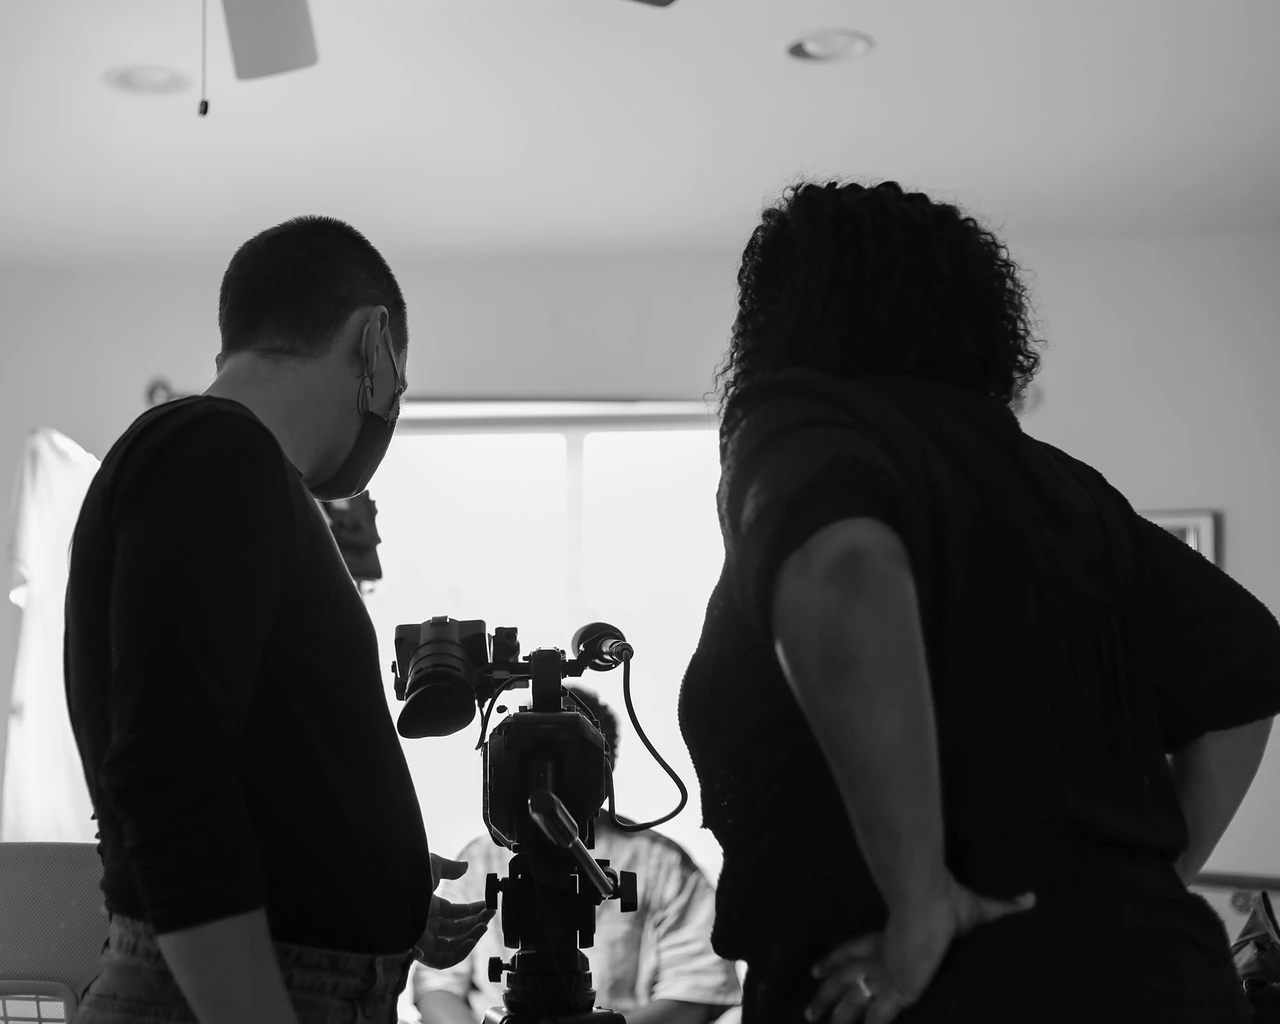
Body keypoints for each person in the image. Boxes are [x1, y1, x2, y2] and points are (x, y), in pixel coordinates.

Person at [677, 179, 1280, 1024]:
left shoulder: (800, 426)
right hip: (1160, 979)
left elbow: (846, 574)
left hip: (920, 993)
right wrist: (1132, 893)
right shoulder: (1061, 488)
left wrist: (921, 907)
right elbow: (1250, 668)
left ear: (777, 319)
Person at [64, 215, 493, 1024]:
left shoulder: (232, 468)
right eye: (400, 371)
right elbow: (169, 771)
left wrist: (382, 891)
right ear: (375, 344)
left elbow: (242, 749)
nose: (396, 401)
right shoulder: (214, 451)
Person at [410, 687, 743, 1024]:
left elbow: (697, 990)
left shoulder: (660, 864)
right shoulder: (479, 860)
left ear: (604, 768)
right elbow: (438, 987)